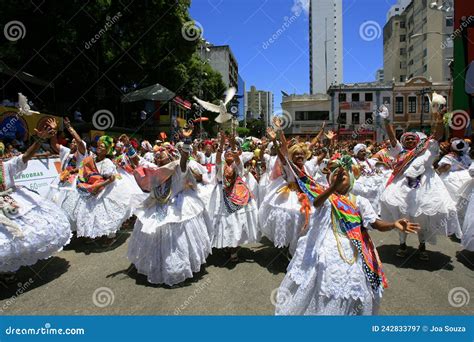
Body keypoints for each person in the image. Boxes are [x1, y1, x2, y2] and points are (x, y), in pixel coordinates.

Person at [275, 156, 419, 315]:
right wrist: (332, 188)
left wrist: (393, 224)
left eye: (342, 176)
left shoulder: (360, 201)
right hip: (324, 247)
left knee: (349, 289)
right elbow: (316, 202)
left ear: (350, 180)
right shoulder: (327, 197)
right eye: (334, 176)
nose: (338, 178)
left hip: (353, 249)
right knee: (320, 285)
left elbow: (375, 223)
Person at [127, 127, 212, 285]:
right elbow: (137, 162)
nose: (158, 153)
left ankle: (176, 270)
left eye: (162, 151)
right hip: (157, 205)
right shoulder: (154, 170)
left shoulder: (178, 168)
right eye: (157, 152)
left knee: (174, 242)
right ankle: (156, 267)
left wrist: (187, 140)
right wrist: (128, 146)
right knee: (155, 237)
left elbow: (185, 159)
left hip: (175, 207)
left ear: (171, 153)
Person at [379, 106, 461, 260]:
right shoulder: (400, 152)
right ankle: (402, 244)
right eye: (406, 138)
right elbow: (391, 137)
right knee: (403, 214)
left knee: (422, 217)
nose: (409, 140)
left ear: (417, 141)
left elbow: (437, 135)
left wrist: (440, 119)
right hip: (403, 189)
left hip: (425, 188)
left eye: (412, 138)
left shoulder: (425, 149)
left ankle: (422, 246)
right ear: (403, 142)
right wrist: (386, 120)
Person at [0, 125, 71, 282]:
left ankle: (8, 269)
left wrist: (39, 139)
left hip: (10, 203)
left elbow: (25, 157)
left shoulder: (6, 166)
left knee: (16, 235)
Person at [70, 135, 134, 245]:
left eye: (102, 147)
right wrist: (76, 171)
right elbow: (83, 167)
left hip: (106, 190)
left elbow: (112, 178)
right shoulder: (91, 159)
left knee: (107, 214)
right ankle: (93, 234)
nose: (99, 148)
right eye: (99, 146)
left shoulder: (107, 162)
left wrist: (99, 186)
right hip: (94, 188)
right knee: (91, 213)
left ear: (107, 150)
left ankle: (110, 236)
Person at [208, 131, 260, 261]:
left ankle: (234, 248)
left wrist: (232, 144)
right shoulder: (220, 166)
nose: (229, 153)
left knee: (237, 222)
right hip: (222, 196)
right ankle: (227, 245)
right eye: (227, 152)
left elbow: (238, 159)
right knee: (225, 222)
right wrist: (221, 144)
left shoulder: (238, 166)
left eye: (231, 152)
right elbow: (218, 158)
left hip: (239, 194)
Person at [45, 117, 88, 227]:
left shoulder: (82, 154)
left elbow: (80, 142)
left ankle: (70, 227)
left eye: (75, 142)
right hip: (61, 180)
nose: (73, 143)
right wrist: (53, 132)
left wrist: (69, 127)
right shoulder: (66, 151)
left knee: (69, 206)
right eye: (72, 142)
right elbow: (54, 144)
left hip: (74, 183)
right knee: (56, 202)